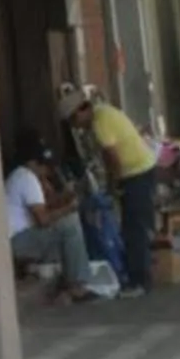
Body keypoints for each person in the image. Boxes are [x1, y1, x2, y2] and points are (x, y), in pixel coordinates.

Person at [63, 85, 158, 296]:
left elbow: (112, 157)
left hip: (135, 173)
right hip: (141, 169)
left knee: (135, 228)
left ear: (81, 110)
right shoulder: (105, 111)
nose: (76, 127)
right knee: (134, 225)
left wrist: (114, 185)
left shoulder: (99, 122)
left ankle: (139, 281)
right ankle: (140, 276)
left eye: (73, 120)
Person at [5, 131, 112, 301]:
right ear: (33, 163)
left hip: (20, 239)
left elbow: (44, 205)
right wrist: (69, 209)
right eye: (43, 166)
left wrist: (66, 196)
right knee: (70, 224)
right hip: (17, 243)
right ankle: (77, 286)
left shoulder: (20, 176)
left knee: (66, 232)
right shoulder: (27, 178)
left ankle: (67, 282)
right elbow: (43, 220)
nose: (46, 171)